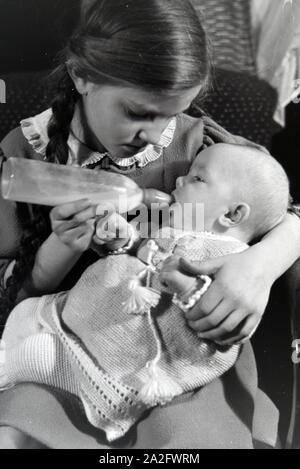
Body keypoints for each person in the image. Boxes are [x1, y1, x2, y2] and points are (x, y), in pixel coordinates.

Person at [0, 0, 299, 449]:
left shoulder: (201, 145)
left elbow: (277, 205)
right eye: (139, 113)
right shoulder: (29, 156)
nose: (155, 132)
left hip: (180, 361)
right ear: (81, 76)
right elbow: (13, 297)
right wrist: (59, 247)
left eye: (171, 113)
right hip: (72, 345)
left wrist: (257, 268)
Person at [0, 143, 290, 443]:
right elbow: (145, 253)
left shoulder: (227, 259)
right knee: (29, 324)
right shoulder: (173, 233)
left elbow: (212, 303)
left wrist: (183, 285)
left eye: (197, 179)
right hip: (81, 323)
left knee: (37, 357)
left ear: (232, 214)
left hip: (120, 360)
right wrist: (122, 240)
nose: (180, 180)